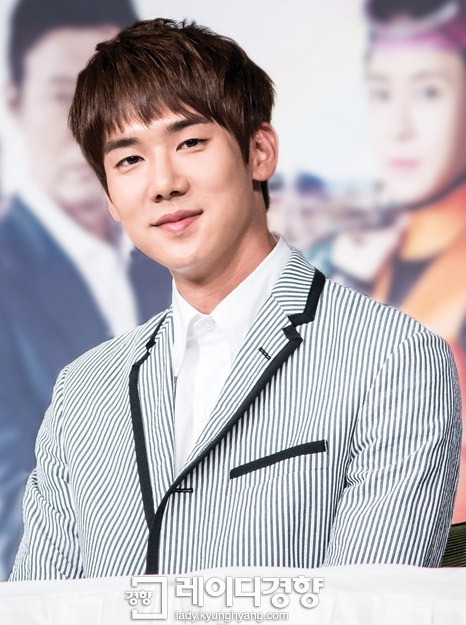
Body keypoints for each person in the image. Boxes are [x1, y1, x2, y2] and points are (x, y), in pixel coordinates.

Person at [10, 18, 461, 580]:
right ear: (110, 199)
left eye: (190, 143)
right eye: (129, 160)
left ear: (259, 151)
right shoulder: (82, 392)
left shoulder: (392, 358)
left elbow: (367, 605)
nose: (163, 183)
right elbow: (41, 604)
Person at [0, 0, 171, 580]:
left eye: (111, 97)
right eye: (60, 96)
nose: (87, 127)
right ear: (14, 101)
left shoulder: (175, 262)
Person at [326, 0, 466, 523]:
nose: (398, 126)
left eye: (429, 92)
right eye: (382, 93)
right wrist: (347, 283)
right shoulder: (364, 257)